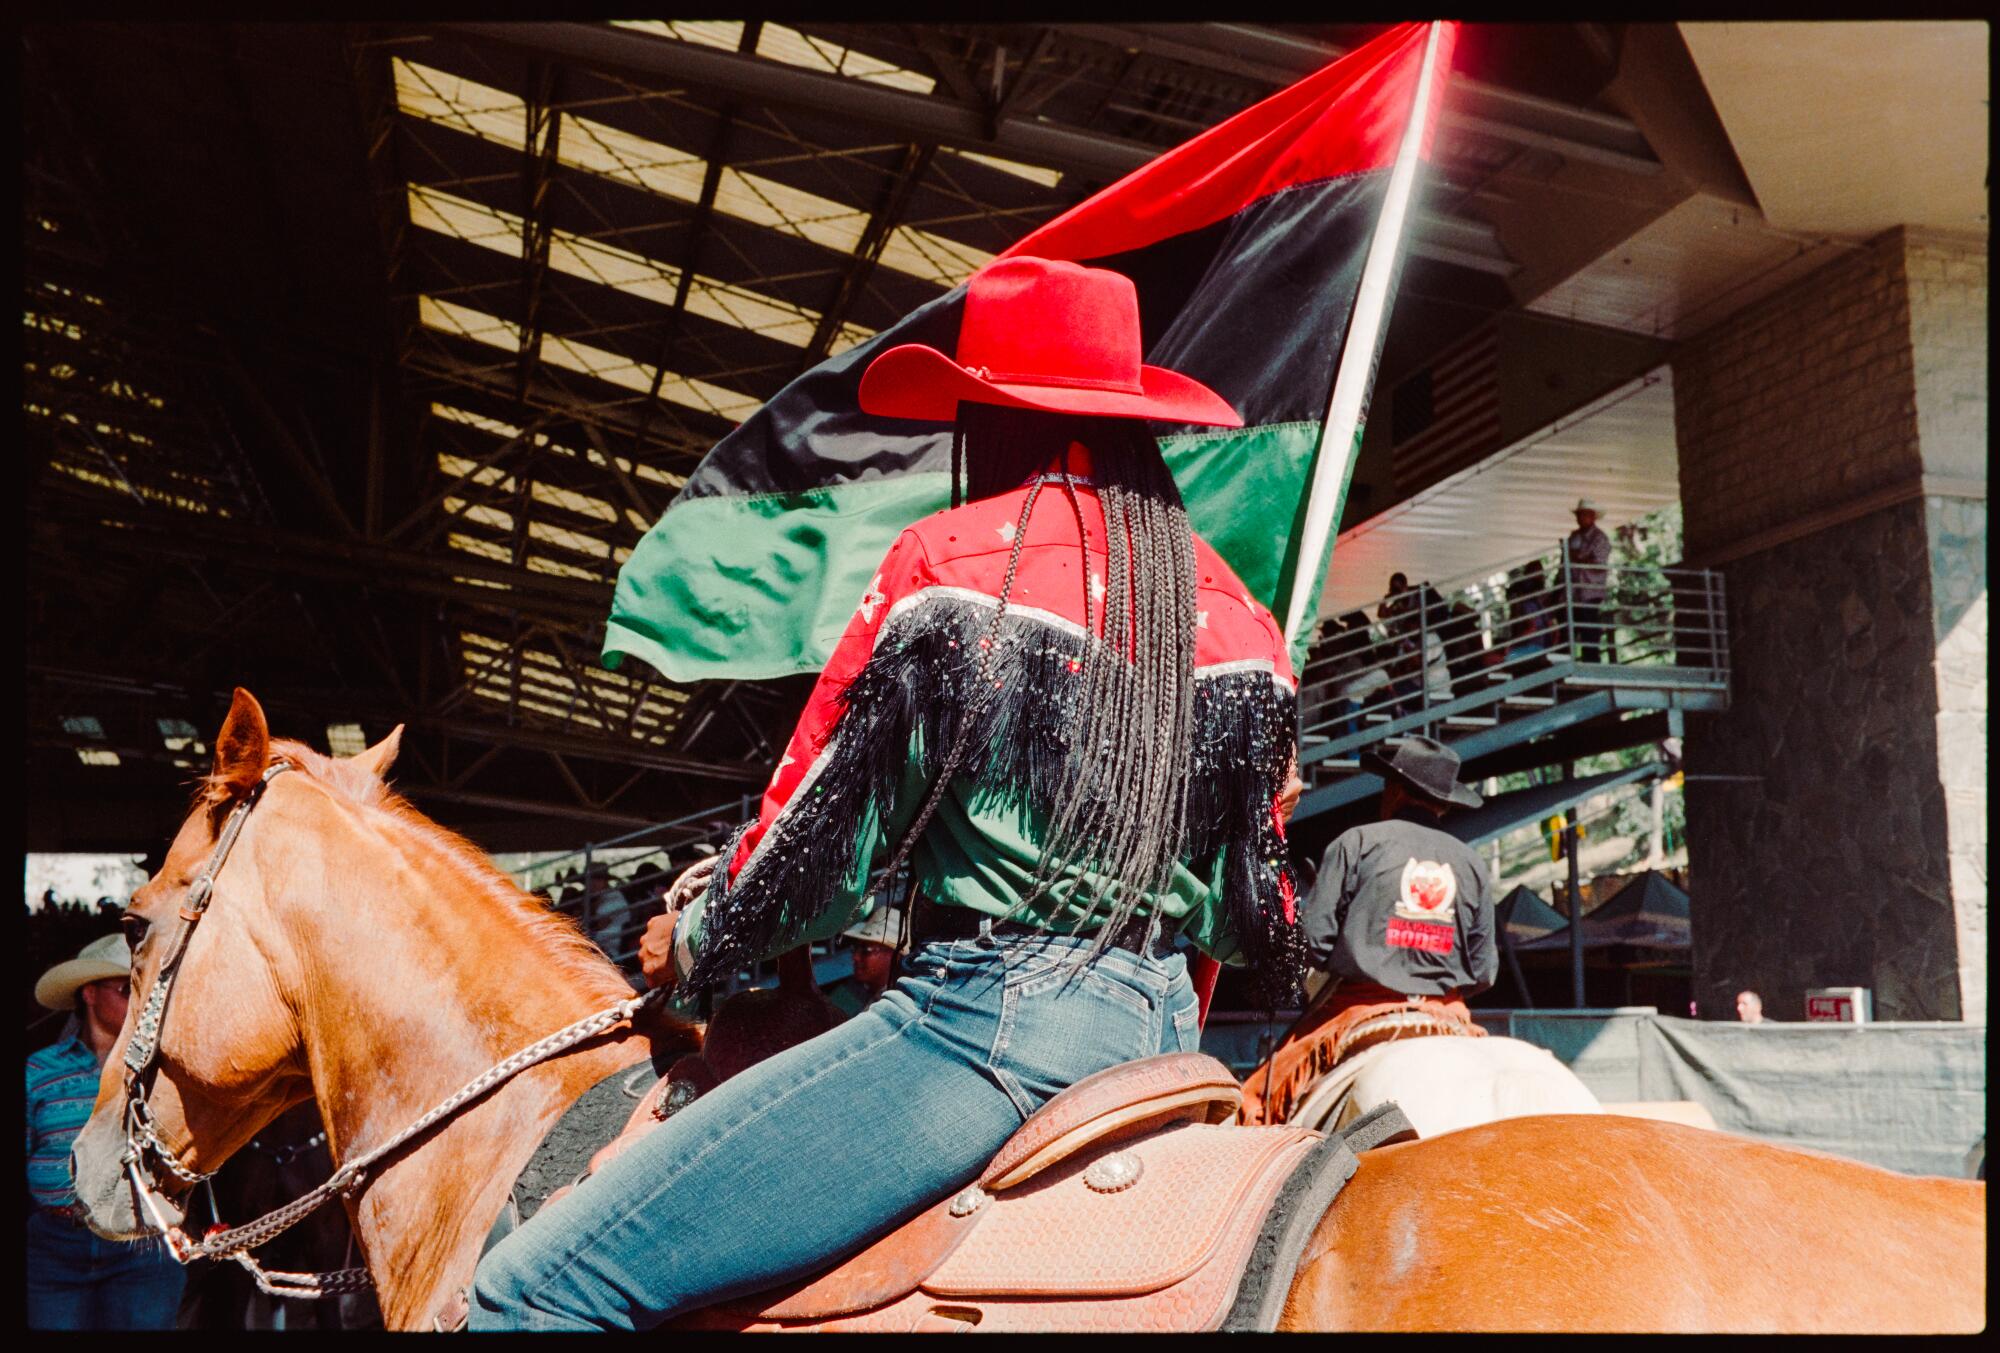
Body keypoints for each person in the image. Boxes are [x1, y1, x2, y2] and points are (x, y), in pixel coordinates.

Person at [471, 256, 1307, 1330]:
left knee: (533, 1288)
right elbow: (1260, 919)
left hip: (985, 1033)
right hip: (1164, 1049)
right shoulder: (1242, 618)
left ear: (991, 414)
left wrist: (695, 942)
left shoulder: (951, 569)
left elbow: (813, 852)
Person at [1242, 736, 1497, 1125]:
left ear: (1393, 791)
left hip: (1360, 1004)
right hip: (1448, 1011)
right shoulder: (1472, 863)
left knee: (1255, 1104)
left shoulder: (1356, 843)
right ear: (1444, 804)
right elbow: (1483, 971)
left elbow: (1313, 942)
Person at [27, 934, 187, 1330]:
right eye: (124, 989)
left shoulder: (165, 1071)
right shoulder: (39, 1070)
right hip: (54, 1246)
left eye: (142, 990)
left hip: (141, 1245)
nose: (138, 1001)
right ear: (89, 994)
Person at [821, 903, 904, 1019]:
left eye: (866, 950)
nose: (855, 957)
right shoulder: (857, 994)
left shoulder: (896, 1006)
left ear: (895, 956)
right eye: (856, 948)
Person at [1563, 498, 1613, 663]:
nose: (1580, 518)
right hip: (1573, 592)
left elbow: (1599, 563)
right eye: (1579, 515)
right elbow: (1566, 562)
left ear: (1592, 517)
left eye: (1583, 515)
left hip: (1590, 591)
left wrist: (1577, 558)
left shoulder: (1600, 538)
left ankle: (1591, 662)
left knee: (1589, 628)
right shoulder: (1574, 537)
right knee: (1569, 627)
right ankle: (1565, 662)